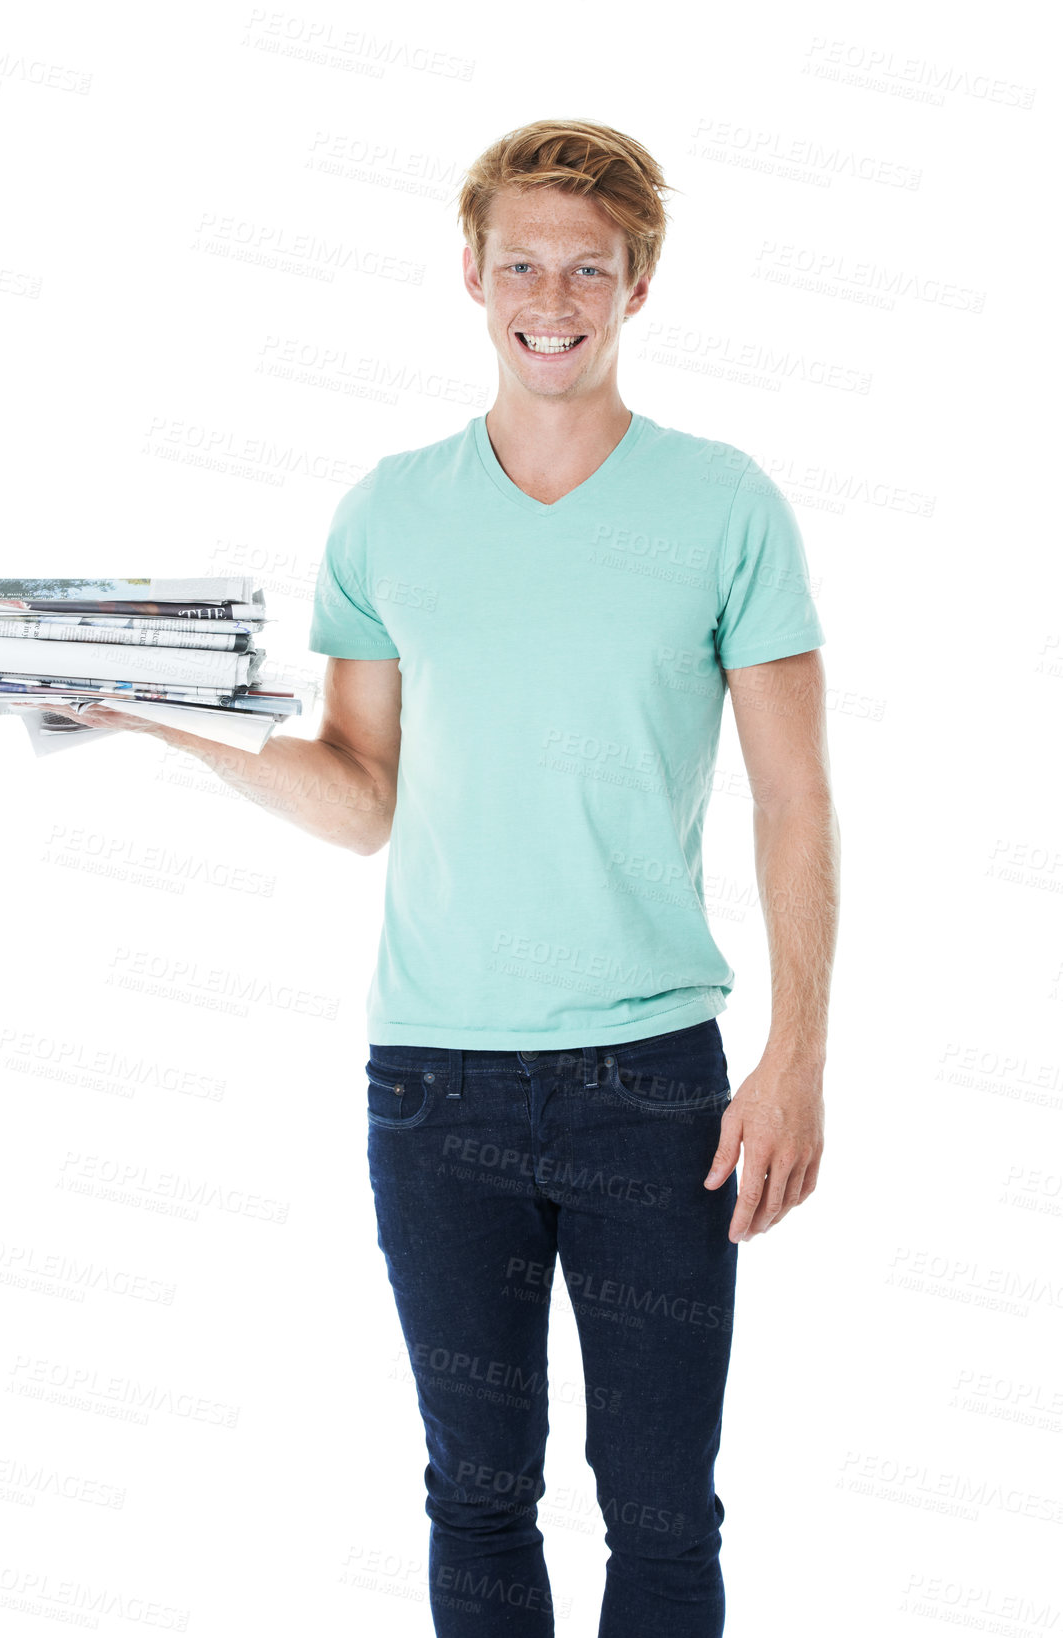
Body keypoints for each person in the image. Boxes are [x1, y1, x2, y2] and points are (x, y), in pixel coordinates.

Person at [56, 119, 839, 1638]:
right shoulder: (388, 513)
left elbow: (797, 798)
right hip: (438, 1085)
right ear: (472, 273)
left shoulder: (728, 506)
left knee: (664, 1506)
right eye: (525, 264)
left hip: (654, 1090)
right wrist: (160, 715)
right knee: (476, 1492)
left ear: (640, 284)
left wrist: (797, 1053)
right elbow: (359, 799)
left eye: (590, 268)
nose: (554, 296)